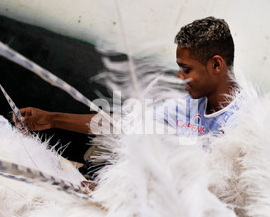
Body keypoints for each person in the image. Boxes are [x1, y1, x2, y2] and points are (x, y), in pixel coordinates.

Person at [14, 17, 242, 137]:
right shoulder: (189, 106)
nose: (180, 77)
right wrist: (53, 119)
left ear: (216, 64)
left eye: (186, 69)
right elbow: (123, 124)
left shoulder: (246, 123)